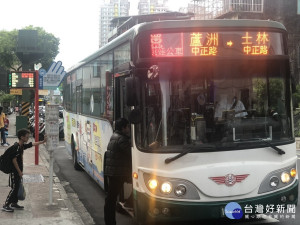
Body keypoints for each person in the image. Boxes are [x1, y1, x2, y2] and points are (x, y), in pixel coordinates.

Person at [2, 129, 47, 212]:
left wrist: (42, 142)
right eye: (27, 137)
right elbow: (14, 160)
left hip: (18, 171)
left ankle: (14, 203)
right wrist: (19, 172)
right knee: (14, 188)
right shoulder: (16, 147)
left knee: (17, 187)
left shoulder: (21, 146)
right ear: (22, 137)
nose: (28, 138)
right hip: (14, 171)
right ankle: (6, 205)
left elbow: (32, 144)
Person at [104, 118, 131, 225]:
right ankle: (110, 222)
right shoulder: (122, 139)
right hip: (117, 173)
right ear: (123, 128)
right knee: (111, 199)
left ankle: (128, 202)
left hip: (114, 172)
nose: (129, 129)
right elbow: (131, 153)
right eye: (128, 127)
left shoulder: (114, 136)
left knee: (110, 198)